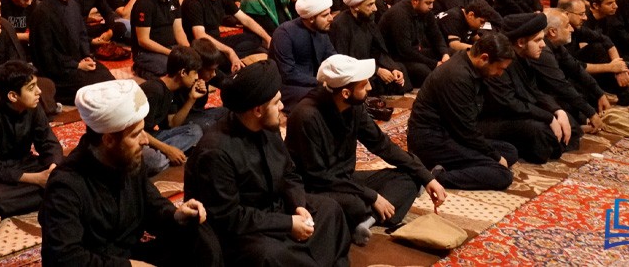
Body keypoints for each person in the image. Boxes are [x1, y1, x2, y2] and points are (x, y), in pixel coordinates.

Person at [184, 60, 351, 267]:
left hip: (274, 209)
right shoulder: (215, 151)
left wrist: (298, 205)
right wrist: (287, 224)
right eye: (277, 102)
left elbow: (289, 173)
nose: (282, 107)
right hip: (242, 231)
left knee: (329, 210)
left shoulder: (267, 128)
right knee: (269, 254)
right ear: (258, 110)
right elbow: (229, 217)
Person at [40, 79, 221, 265]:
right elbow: (65, 258)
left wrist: (175, 215)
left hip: (130, 254)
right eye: (136, 135)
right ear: (109, 140)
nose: (145, 141)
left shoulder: (128, 159)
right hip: (96, 262)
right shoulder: (65, 186)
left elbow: (152, 204)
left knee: (197, 231)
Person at [286, 54, 445, 245]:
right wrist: (372, 195)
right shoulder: (306, 116)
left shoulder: (354, 107)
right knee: (355, 205)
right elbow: (320, 177)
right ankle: (365, 217)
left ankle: (366, 221)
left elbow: (382, 144)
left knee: (411, 177)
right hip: (316, 187)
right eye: (363, 85)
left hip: (346, 180)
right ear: (346, 93)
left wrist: (426, 177)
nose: (370, 87)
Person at [407, 32, 518, 190]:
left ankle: (458, 167)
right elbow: (465, 130)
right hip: (432, 141)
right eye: (499, 68)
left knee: (509, 151)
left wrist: (493, 154)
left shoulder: (469, 64)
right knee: (502, 174)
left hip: (450, 134)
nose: (500, 74)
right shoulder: (457, 76)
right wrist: (494, 156)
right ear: (484, 58)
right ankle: (433, 177)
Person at [480, 13, 577, 164]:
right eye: (538, 40)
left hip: (517, 112)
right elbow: (509, 103)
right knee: (540, 131)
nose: (543, 45)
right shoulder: (500, 63)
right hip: (494, 119)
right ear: (520, 42)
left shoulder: (524, 59)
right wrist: (548, 117)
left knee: (567, 118)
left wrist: (557, 111)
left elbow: (535, 92)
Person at [0, 60, 63, 217]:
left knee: (72, 168)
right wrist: (36, 179)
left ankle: (52, 187)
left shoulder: (34, 107)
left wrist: (52, 169)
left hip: (26, 164)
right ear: (13, 96)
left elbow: (48, 143)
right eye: (31, 88)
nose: (39, 91)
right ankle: (54, 190)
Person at [29, 0, 115, 105]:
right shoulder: (42, 12)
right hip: (58, 72)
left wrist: (86, 56)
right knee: (97, 90)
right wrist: (76, 65)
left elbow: (82, 35)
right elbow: (45, 55)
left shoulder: (73, 5)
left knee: (107, 78)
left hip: (77, 62)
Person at [182, 0, 270, 75]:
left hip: (217, 40)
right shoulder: (195, 2)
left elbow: (245, 19)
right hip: (202, 48)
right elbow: (200, 36)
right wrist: (229, 51)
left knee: (256, 38)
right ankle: (229, 63)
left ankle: (231, 61)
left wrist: (268, 38)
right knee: (217, 57)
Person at [330, 0, 409, 95]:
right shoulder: (340, 25)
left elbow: (377, 50)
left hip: (370, 66)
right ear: (356, 6)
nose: (375, 9)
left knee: (399, 70)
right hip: (353, 72)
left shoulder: (368, 19)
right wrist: (377, 70)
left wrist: (392, 68)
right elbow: (344, 62)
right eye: (370, 5)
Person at [139, 46, 206, 176]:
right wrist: (168, 150)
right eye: (195, 72)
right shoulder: (154, 91)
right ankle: (162, 157)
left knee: (195, 130)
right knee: (155, 161)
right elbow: (138, 130)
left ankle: (161, 156)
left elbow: (173, 124)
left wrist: (192, 99)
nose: (197, 77)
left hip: (150, 136)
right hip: (135, 137)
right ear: (183, 72)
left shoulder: (172, 89)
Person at [270, 0, 337, 111]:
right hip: (289, 87)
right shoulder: (284, 33)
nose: (331, 18)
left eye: (330, 13)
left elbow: (332, 57)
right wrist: (321, 82)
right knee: (324, 96)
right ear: (311, 18)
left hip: (315, 83)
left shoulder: (321, 31)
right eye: (325, 15)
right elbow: (287, 73)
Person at [378, 0, 449, 87]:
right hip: (395, 58)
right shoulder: (400, 15)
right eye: (428, 3)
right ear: (415, 0)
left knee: (451, 53)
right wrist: (435, 64)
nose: (431, 6)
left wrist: (444, 54)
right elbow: (405, 51)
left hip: (413, 53)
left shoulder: (425, 10)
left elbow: (435, 35)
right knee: (424, 72)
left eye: (432, 2)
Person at [131, 0, 190, 78]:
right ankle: (140, 68)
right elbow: (143, 40)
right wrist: (171, 54)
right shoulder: (145, 3)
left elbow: (178, 30)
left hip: (170, 48)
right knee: (171, 69)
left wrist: (188, 51)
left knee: (195, 61)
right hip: (147, 53)